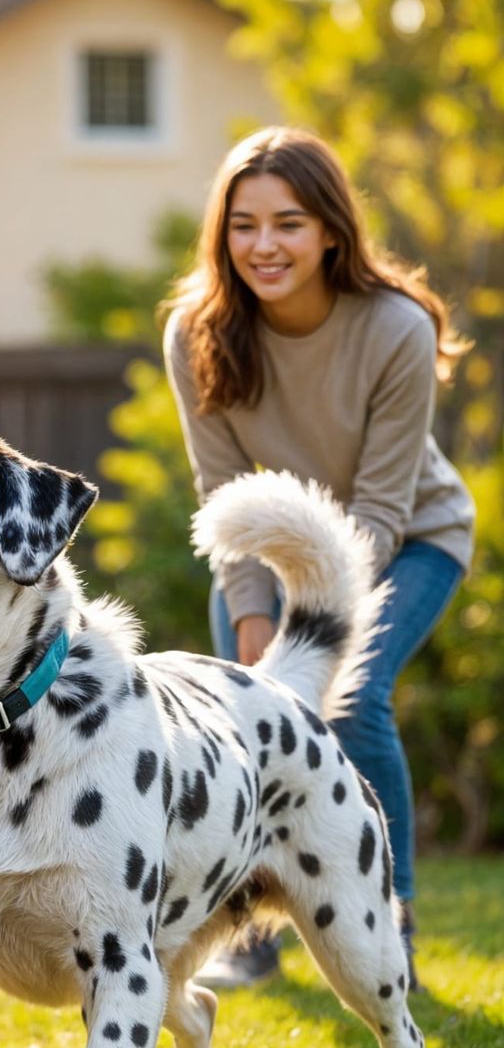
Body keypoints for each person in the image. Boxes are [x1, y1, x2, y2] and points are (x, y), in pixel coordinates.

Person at [165, 127, 475, 991]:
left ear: (332, 231)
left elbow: (377, 508)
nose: (264, 245)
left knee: (354, 701)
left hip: (410, 540)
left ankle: (387, 925)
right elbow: (220, 494)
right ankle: (253, 928)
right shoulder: (196, 333)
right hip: (265, 548)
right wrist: (258, 621)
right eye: (244, 224)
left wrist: (312, 622)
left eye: (289, 223)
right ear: (221, 234)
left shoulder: (397, 328)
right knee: (250, 723)